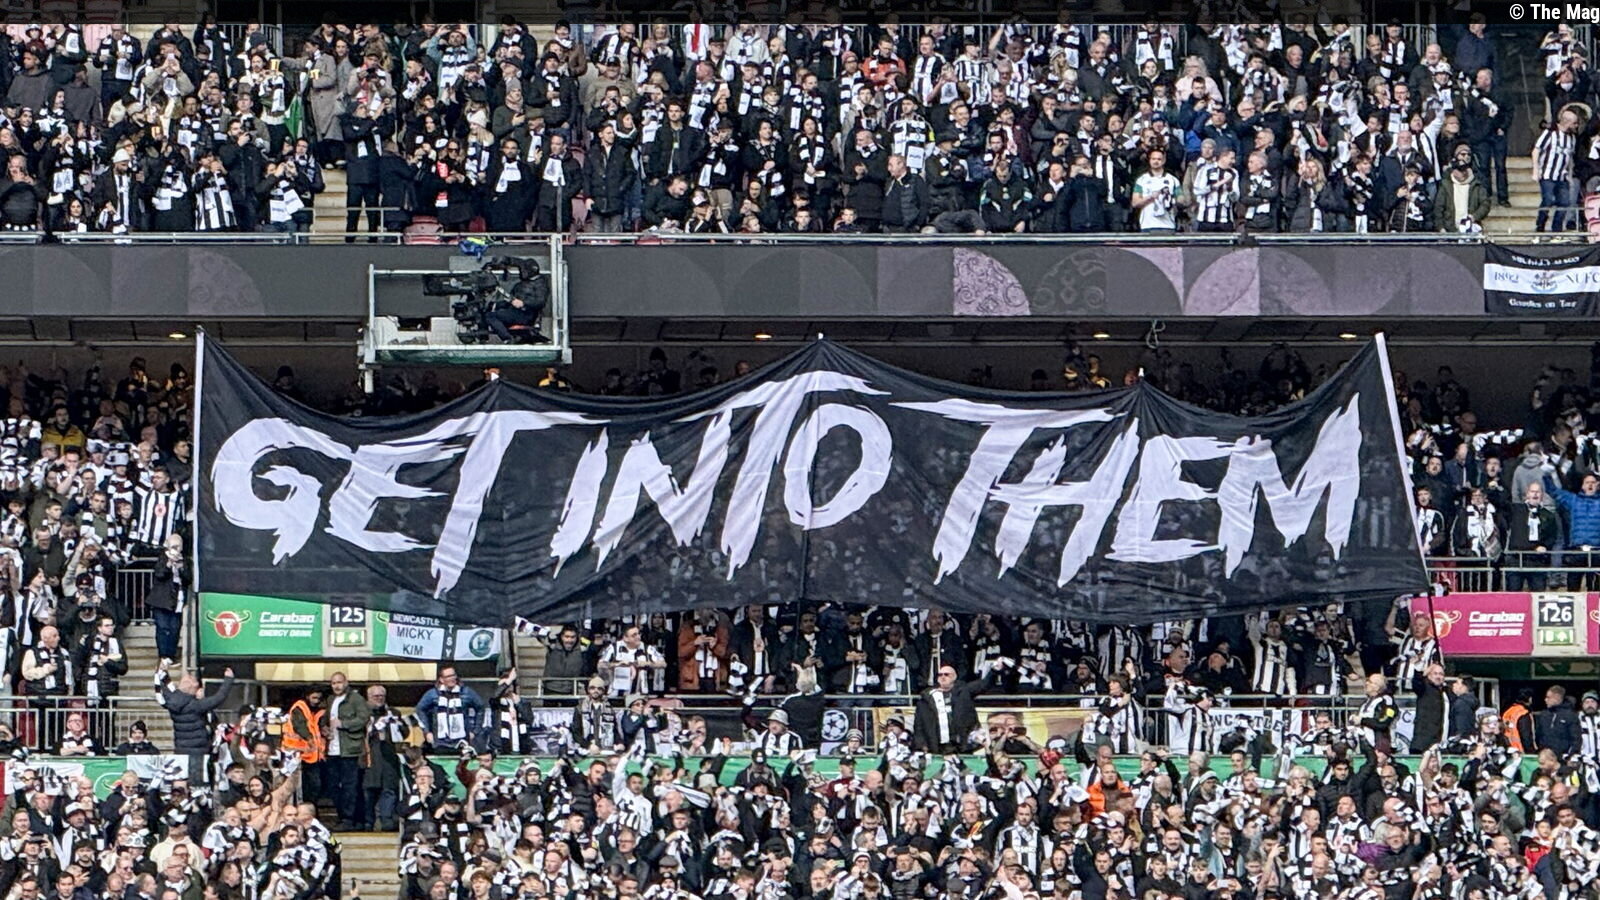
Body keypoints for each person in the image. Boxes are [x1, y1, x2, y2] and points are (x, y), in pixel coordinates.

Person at [154, 661, 235, 782]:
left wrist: (162, 671)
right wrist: (228, 680)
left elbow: (164, 686)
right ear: (192, 689)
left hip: (180, 749)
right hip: (199, 751)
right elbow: (219, 697)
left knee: (181, 780)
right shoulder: (196, 705)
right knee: (198, 782)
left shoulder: (171, 700)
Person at [323, 672, 370, 831]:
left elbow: (363, 718)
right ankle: (342, 816)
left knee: (350, 786)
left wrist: (344, 724)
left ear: (346, 682)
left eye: (339, 682)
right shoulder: (330, 700)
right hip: (332, 749)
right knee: (333, 786)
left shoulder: (355, 699)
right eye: (333, 683)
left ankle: (349, 819)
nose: (336, 686)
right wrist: (325, 729)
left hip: (350, 750)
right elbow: (325, 720)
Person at [414, 665, 486, 751]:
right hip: (439, 742)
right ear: (441, 679)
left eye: (453, 675)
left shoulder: (466, 692)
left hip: (462, 741)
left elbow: (480, 707)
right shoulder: (433, 694)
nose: (452, 678)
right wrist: (427, 731)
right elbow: (420, 709)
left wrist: (475, 731)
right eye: (448, 676)